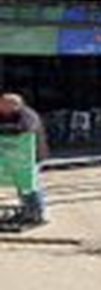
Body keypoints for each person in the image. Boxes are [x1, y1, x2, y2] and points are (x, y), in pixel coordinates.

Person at [0, 93, 49, 224]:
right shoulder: (6, 115)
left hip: (32, 156)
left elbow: (24, 128)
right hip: (16, 157)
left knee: (31, 185)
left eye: (3, 104)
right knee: (22, 185)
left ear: (15, 105)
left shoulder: (28, 115)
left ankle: (39, 214)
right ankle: (29, 212)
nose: (0, 107)